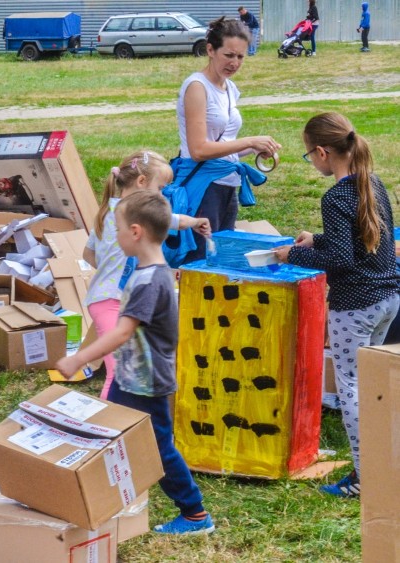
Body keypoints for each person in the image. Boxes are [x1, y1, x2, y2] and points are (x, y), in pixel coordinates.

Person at [56, 191, 214, 535]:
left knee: (158, 448)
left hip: (146, 380)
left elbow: (123, 332)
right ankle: (100, 500)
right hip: (132, 376)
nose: (116, 236)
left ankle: (195, 513)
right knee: (108, 434)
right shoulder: (152, 273)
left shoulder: (148, 281)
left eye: (118, 229)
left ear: (137, 232)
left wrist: (79, 358)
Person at [274, 112, 399, 498]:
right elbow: (365, 244)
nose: (311, 161)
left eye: (309, 154)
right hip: (387, 299)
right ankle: (385, 463)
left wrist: (293, 254)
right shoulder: (372, 184)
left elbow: (343, 261)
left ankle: (365, 478)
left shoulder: (336, 196)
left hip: (354, 307)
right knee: (378, 387)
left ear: (323, 152)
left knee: (352, 391)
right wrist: (318, 239)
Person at [85, 151, 210, 399]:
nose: (162, 196)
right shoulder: (135, 216)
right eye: (160, 188)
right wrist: (196, 221)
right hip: (111, 302)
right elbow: (172, 220)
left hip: (108, 298)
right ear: (142, 183)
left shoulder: (108, 211)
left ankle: (126, 422)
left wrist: (110, 269)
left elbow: (88, 254)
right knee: (118, 372)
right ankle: (111, 427)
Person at [175, 16, 281, 264]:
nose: (234, 63)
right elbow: (199, 149)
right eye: (229, 55)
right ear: (210, 50)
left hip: (227, 185)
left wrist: (255, 148)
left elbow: (224, 145)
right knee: (200, 261)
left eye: (241, 57)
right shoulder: (196, 87)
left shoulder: (230, 88)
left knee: (221, 258)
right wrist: (249, 141)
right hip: (203, 187)